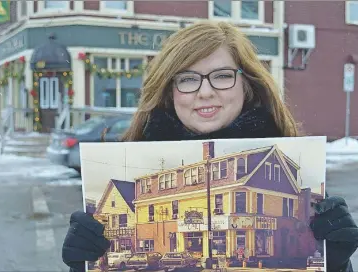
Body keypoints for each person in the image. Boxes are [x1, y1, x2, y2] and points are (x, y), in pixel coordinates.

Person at [62, 20, 358, 272]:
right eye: (188, 79)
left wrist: (338, 263)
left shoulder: (298, 171)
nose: (205, 92)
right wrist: (83, 263)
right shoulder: (127, 166)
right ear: (168, 90)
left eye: (222, 76)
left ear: (247, 84)